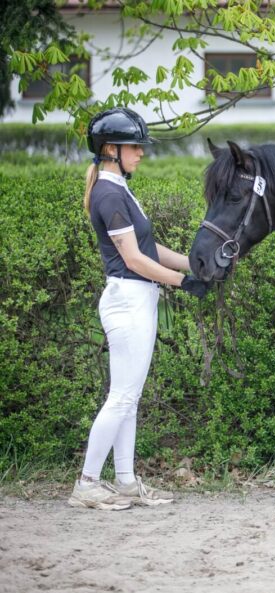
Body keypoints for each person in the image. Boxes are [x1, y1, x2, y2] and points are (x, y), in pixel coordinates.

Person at [68, 107, 210, 510]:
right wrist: (183, 283)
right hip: (128, 299)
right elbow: (133, 259)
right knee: (121, 398)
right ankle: (87, 483)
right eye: (134, 146)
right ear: (110, 149)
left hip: (137, 298)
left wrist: (192, 265)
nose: (141, 152)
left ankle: (126, 481)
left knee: (128, 398)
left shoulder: (118, 189)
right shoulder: (109, 193)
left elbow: (148, 248)